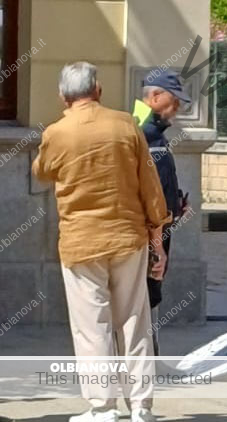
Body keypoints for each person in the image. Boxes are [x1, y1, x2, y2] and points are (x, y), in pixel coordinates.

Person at [32, 62, 170, 422]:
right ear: (98, 90)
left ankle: (102, 407)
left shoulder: (57, 133)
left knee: (91, 327)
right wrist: (157, 238)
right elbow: (150, 184)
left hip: (81, 243)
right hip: (128, 237)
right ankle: (141, 406)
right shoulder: (125, 124)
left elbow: (41, 171)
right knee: (135, 321)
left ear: (62, 96)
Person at [132, 70, 191, 355]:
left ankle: (147, 361)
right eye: (173, 99)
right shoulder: (144, 133)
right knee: (146, 296)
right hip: (150, 234)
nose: (177, 107)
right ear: (154, 96)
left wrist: (176, 204)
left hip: (159, 229)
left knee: (149, 297)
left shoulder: (153, 131)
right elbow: (146, 192)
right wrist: (156, 245)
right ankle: (144, 364)